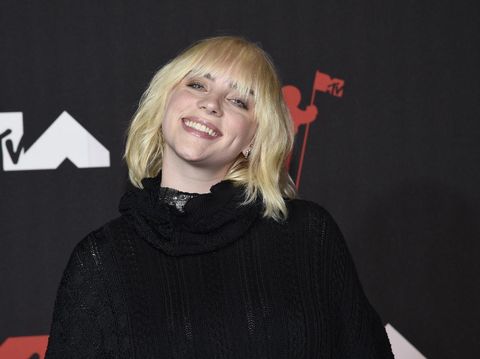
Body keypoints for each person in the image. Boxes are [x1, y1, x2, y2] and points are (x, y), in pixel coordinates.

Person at [45, 36, 394, 358]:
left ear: (254, 138)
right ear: (163, 102)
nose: (211, 104)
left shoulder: (308, 235)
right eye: (197, 84)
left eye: (238, 100)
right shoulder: (102, 260)